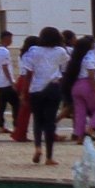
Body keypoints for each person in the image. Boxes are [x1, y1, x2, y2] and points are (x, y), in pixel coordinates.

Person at [21, 27, 69, 166]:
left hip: (36, 89)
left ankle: (37, 148)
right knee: (50, 122)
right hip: (53, 87)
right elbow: (65, 65)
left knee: (37, 120)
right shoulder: (60, 51)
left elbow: (28, 74)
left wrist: (24, 92)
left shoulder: (34, 51)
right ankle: (49, 157)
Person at [66, 36, 95, 146]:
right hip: (87, 84)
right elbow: (91, 74)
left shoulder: (76, 57)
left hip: (77, 85)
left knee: (80, 113)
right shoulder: (90, 56)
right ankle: (90, 128)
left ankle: (79, 137)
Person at [0, 30, 19, 133]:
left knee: (1, 106)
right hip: (6, 83)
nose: (11, 41)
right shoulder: (5, 51)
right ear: (5, 39)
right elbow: (5, 67)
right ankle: (16, 125)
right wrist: (12, 81)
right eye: (10, 38)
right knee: (16, 103)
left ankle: (1, 125)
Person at [12, 35, 37, 142]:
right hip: (28, 80)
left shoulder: (23, 54)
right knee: (28, 110)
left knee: (24, 111)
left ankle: (20, 133)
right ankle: (20, 134)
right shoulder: (32, 55)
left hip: (22, 80)